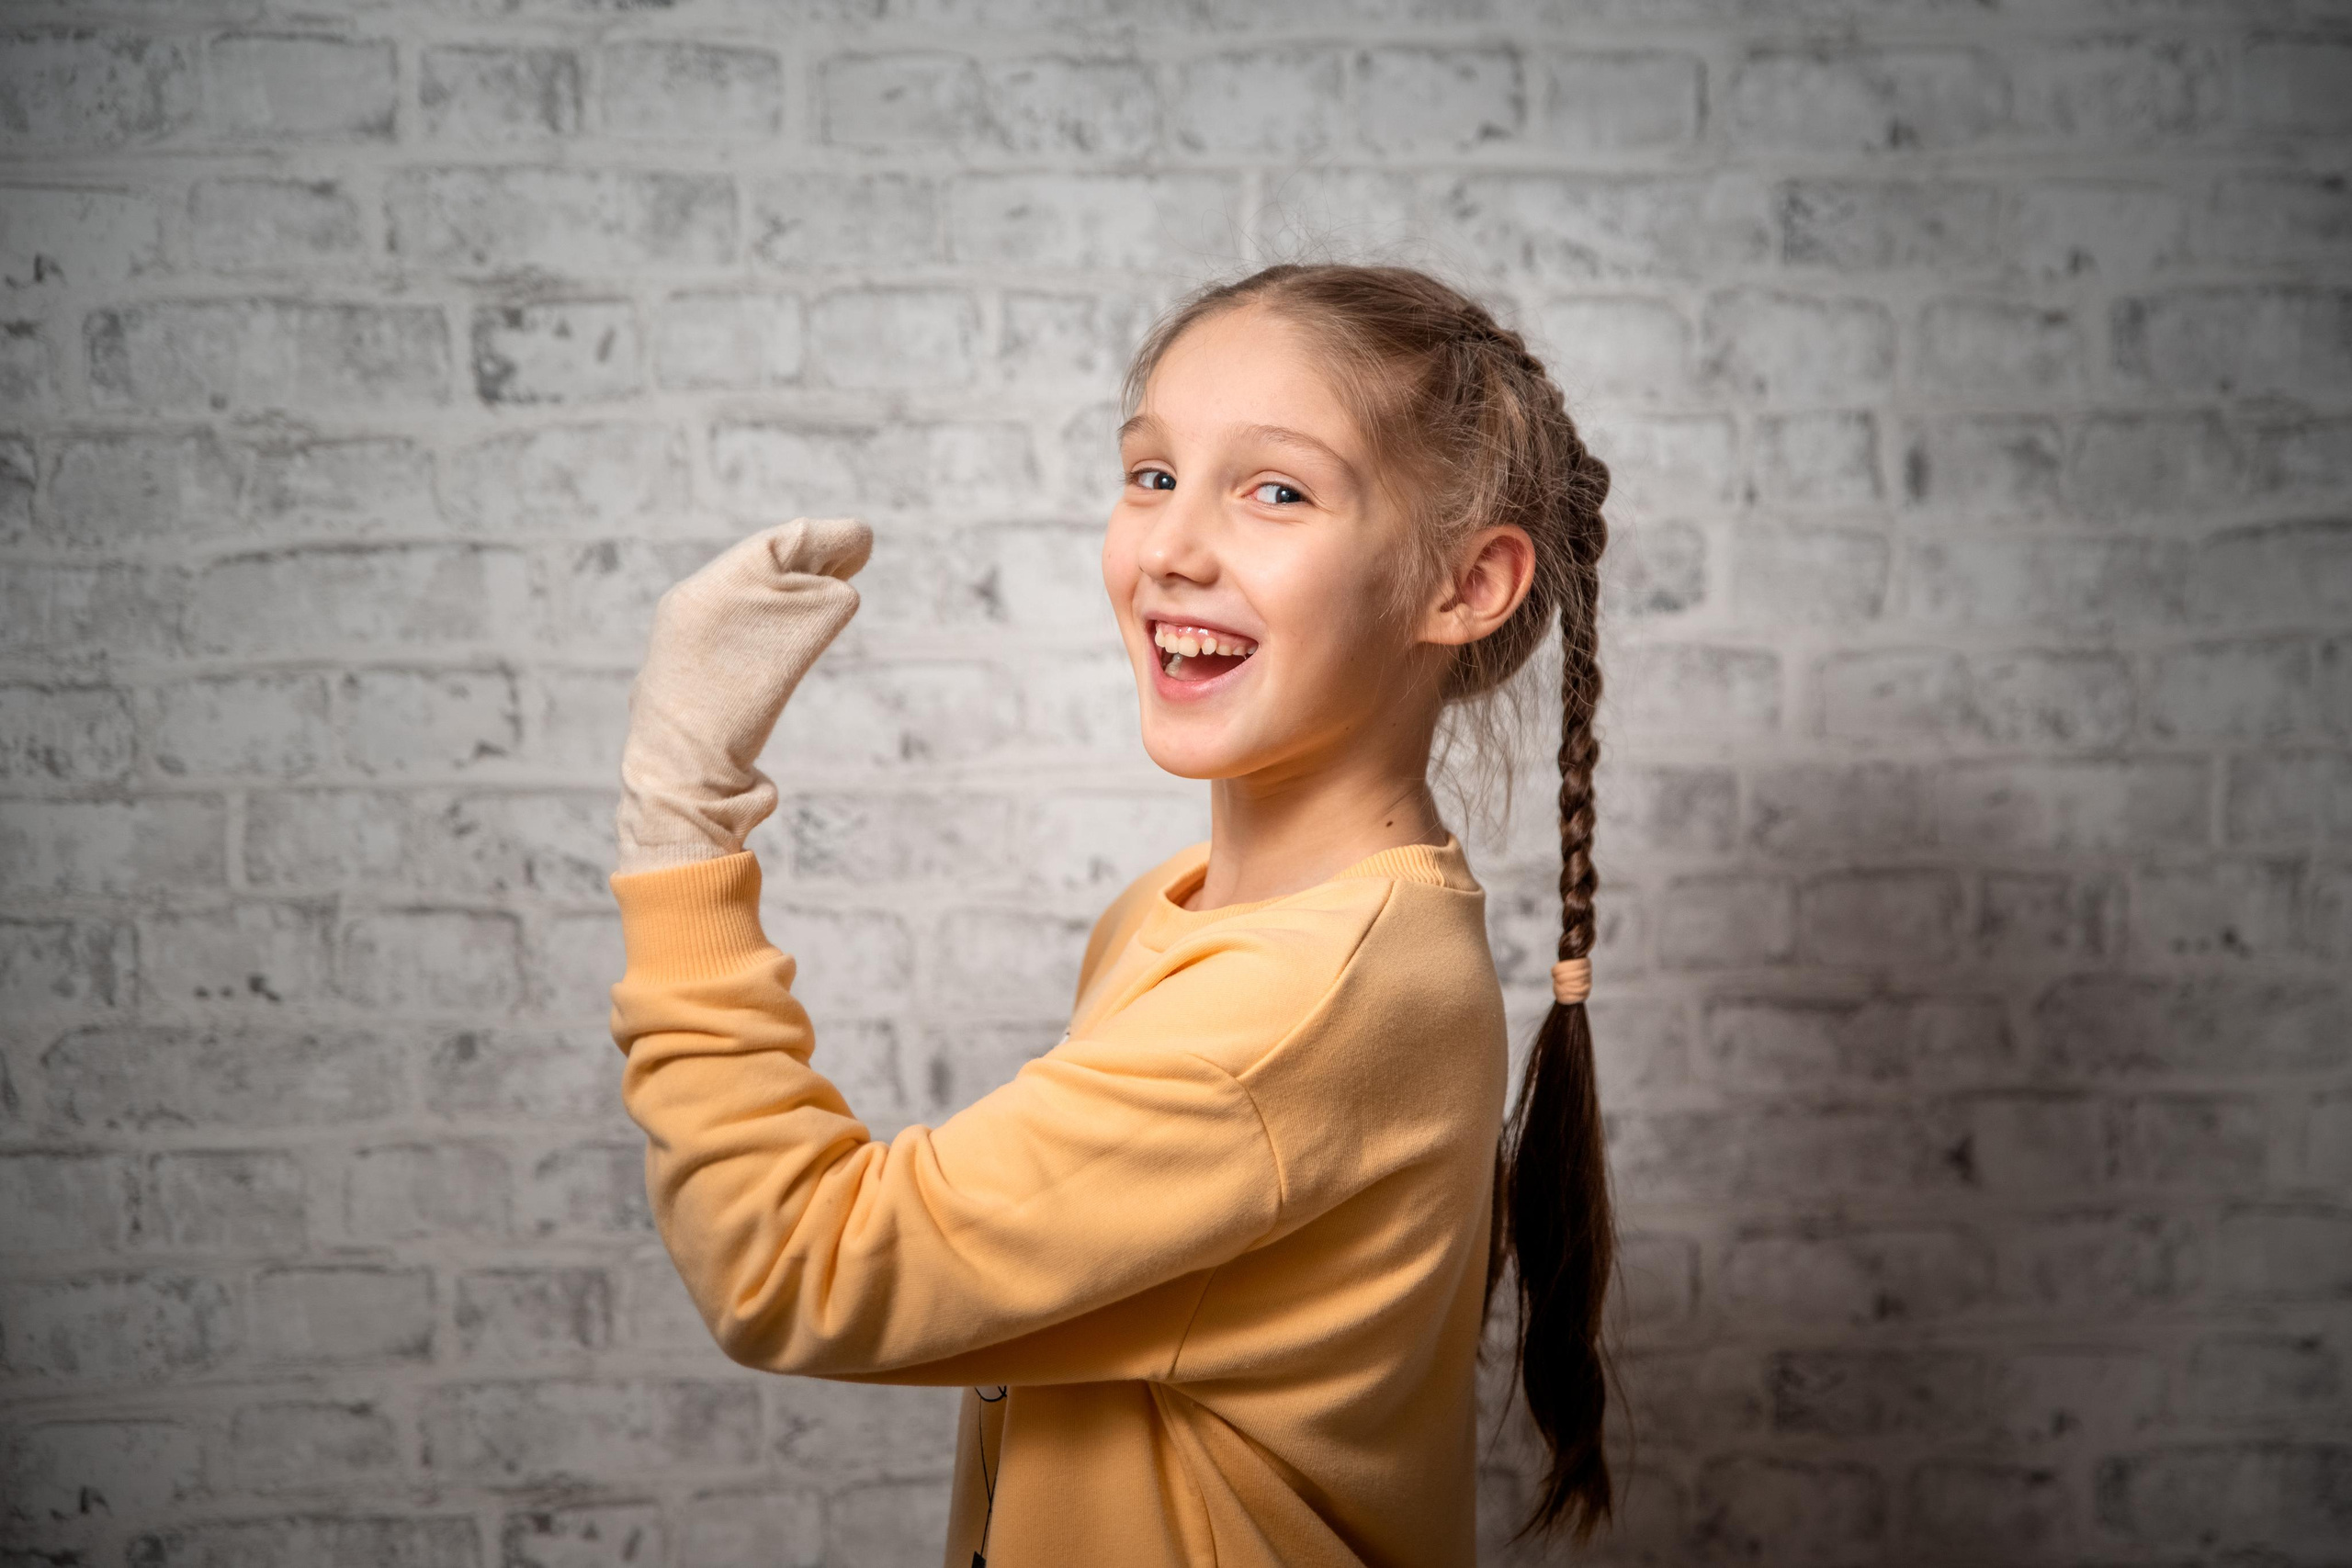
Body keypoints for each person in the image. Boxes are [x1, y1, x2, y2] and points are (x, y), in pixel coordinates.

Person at [605, 263, 1615, 1566]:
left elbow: (794, 1268)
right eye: (1152, 474)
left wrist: (680, 819)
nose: (1172, 548)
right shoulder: (1183, 913)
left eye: (1277, 491)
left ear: (1467, 586)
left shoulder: (1294, 1005)